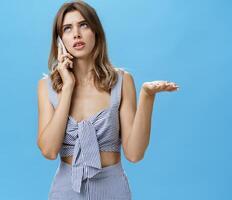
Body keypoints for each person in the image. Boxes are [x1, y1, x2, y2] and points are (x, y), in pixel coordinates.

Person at [37, 1, 179, 199]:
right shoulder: (46, 87)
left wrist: (147, 96)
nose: (76, 34)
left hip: (112, 189)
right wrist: (68, 86)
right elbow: (49, 150)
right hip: (66, 191)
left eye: (83, 25)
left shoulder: (122, 81)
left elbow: (134, 154)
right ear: (60, 40)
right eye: (67, 29)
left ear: (96, 31)